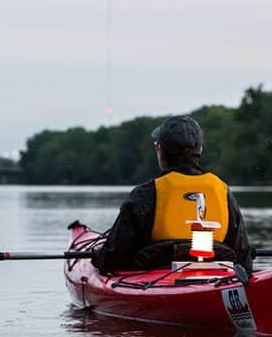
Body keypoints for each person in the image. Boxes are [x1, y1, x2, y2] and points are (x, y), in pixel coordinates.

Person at [91, 115, 251, 273]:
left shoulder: (145, 194)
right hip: (215, 277)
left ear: (160, 150)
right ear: (200, 150)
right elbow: (243, 259)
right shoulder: (222, 191)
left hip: (156, 279)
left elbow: (112, 259)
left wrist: (97, 256)